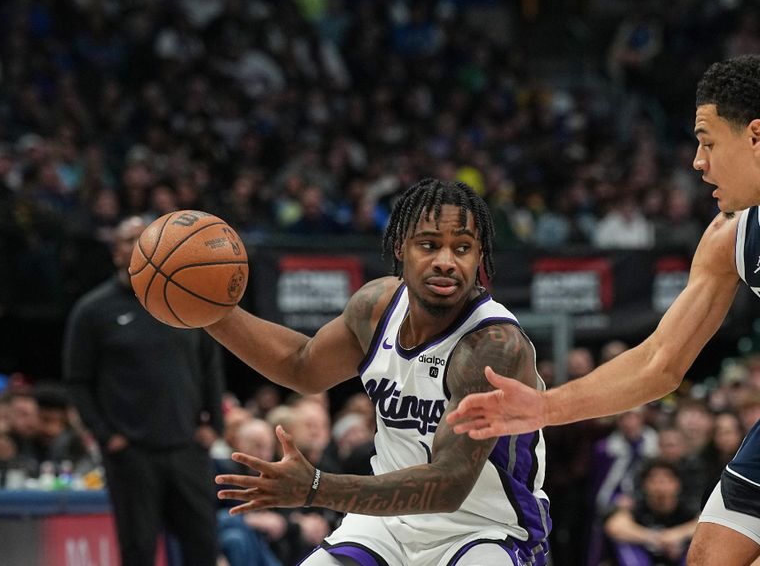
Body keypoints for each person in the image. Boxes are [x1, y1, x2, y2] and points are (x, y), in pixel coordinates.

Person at [447, 54, 760, 565]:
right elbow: (660, 361)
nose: (697, 163)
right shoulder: (730, 236)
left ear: (754, 136)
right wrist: (545, 409)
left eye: (707, 142)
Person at [204, 179, 551, 565]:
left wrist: (316, 487)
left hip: (484, 529)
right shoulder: (376, 307)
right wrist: (211, 314)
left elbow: (449, 484)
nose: (446, 261)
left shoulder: (495, 345)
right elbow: (301, 366)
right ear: (401, 247)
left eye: (463, 248)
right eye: (430, 244)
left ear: (479, 256)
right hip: (386, 524)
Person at [63, 215, 225, 566]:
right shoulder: (93, 310)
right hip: (132, 453)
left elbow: (211, 367)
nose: (137, 245)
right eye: (128, 239)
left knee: (204, 546)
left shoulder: (186, 300)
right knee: (138, 551)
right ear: (115, 252)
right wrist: (107, 436)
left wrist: (215, 427)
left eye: (144, 238)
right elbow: (77, 382)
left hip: (188, 448)